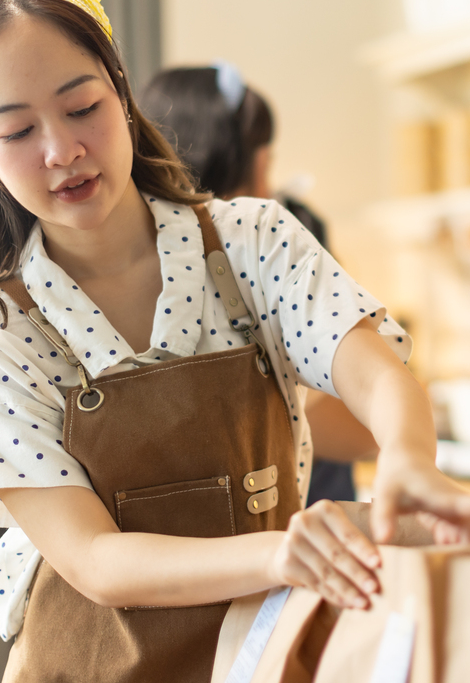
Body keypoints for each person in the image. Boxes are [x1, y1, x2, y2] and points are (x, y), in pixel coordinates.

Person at [0, 0, 470, 682]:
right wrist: (279, 554)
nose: (61, 150)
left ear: (120, 88)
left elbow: (369, 367)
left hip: (264, 654)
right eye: (16, 129)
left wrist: (409, 456)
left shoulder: (252, 241)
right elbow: (97, 561)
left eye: (82, 108)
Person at [139, 64, 371, 505]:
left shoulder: (132, 260)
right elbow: (358, 421)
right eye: (266, 159)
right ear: (251, 163)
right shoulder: (273, 237)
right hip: (295, 513)